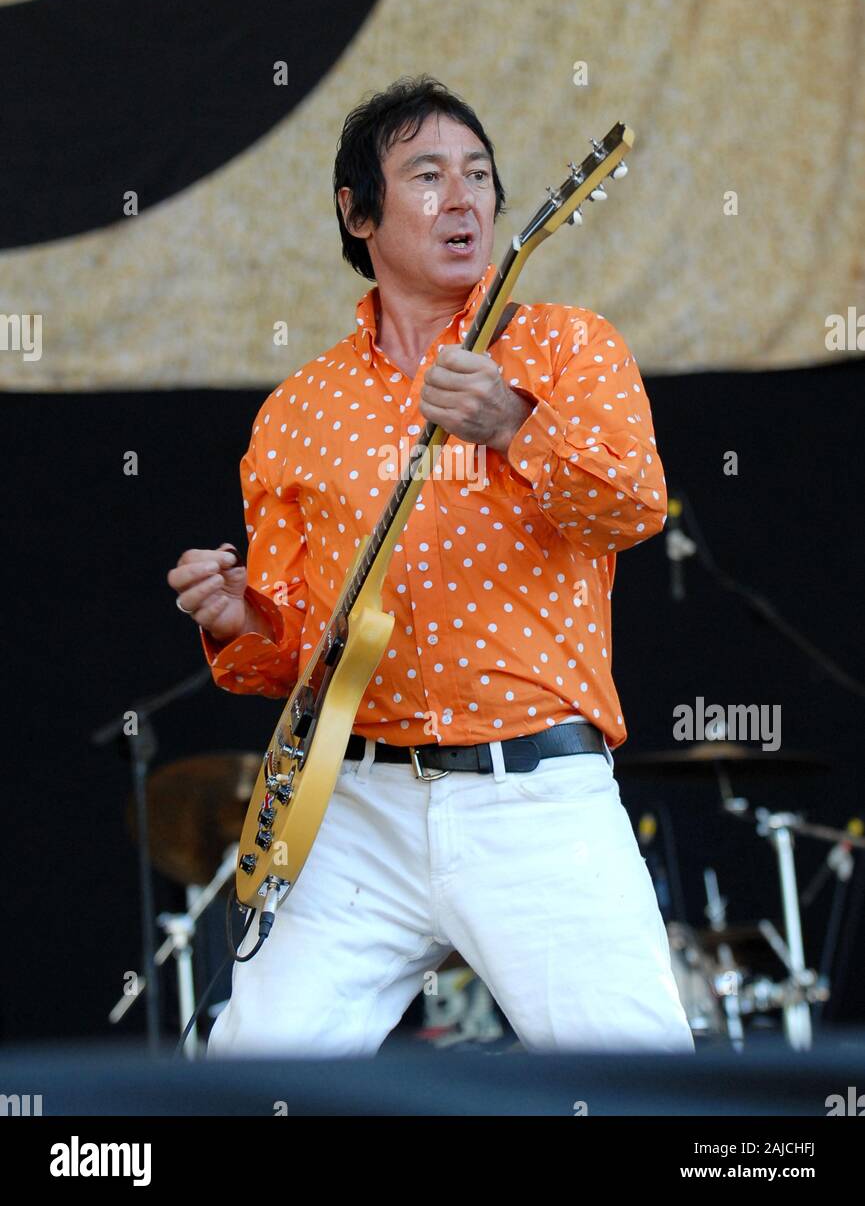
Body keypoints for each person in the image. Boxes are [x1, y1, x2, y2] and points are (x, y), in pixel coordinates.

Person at [167, 75, 695, 1057]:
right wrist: (241, 616)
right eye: (426, 176)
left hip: (533, 796)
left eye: (480, 175)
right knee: (246, 1080)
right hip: (356, 803)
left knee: (646, 1090)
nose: (463, 200)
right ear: (356, 212)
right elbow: (291, 659)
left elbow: (628, 506)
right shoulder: (297, 409)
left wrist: (511, 421)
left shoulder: (564, 345)